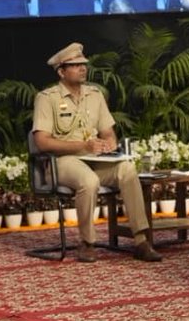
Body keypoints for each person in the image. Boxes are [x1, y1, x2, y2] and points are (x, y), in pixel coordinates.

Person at [32, 43, 161, 263]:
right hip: (61, 161)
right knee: (88, 181)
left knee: (127, 169)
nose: (83, 68)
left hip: (93, 159)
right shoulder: (47, 98)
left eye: (83, 64)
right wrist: (83, 146)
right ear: (61, 72)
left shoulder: (95, 95)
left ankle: (141, 241)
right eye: (75, 65)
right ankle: (87, 243)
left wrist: (109, 144)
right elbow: (42, 142)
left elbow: (108, 132)